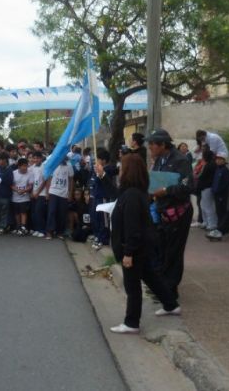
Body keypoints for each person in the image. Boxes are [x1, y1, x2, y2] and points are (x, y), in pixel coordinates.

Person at [109, 153, 181, 335]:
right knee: (150, 277)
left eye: (122, 167)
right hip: (141, 246)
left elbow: (133, 228)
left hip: (134, 247)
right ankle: (170, 304)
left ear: (129, 171)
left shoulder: (133, 195)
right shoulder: (134, 192)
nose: (119, 170)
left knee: (132, 286)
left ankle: (132, 322)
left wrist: (128, 253)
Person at [147, 129, 194, 300]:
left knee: (174, 251)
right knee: (162, 249)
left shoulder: (180, 161)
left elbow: (188, 187)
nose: (150, 147)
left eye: (152, 144)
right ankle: (162, 285)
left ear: (163, 144)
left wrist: (166, 191)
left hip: (178, 213)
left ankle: (170, 291)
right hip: (162, 211)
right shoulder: (159, 160)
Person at [89, 148, 118, 249]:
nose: (97, 161)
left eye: (99, 159)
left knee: (103, 219)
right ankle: (97, 236)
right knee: (95, 217)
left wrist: (100, 171)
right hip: (96, 196)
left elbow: (113, 169)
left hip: (103, 197)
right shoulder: (97, 169)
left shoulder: (108, 169)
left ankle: (103, 238)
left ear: (104, 161)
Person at [45, 158, 74, 240]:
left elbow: (71, 180)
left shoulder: (69, 165)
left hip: (64, 193)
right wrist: (47, 192)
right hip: (53, 191)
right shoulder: (54, 164)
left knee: (62, 213)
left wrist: (70, 193)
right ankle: (49, 231)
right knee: (52, 211)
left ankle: (59, 232)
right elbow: (49, 179)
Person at [207, 153, 229, 240]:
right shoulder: (217, 169)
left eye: (220, 159)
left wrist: (219, 191)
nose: (218, 161)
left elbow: (226, 183)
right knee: (218, 211)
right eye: (217, 159)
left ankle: (221, 228)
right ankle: (219, 227)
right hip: (216, 193)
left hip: (222, 195)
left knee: (221, 211)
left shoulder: (225, 170)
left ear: (224, 160)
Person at [196, 149, 218, 236]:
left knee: (208, 206)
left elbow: (203, 176)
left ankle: (211, 224)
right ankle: (206, 222)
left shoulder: (210, 165)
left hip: (207, 187)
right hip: (205, 187)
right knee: (203, 205)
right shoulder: (209, 164)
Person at [11, 158, 32, 236]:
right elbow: (11, 184)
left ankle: (23, 227)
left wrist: (24, 190)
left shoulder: (30, 173)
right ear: (19, 166)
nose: (25, 168)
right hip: (15, 196)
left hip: (25, 197)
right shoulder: (13, 173)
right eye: (23, 166)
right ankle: (18, 226)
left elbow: (30, 185)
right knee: (16, 213)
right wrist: (16, 190)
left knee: (23, 212)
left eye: (26, 166)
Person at [29, 151, 48, 238]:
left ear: (41, 158)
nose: (35, 160)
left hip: (42, 193)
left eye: (37, 158)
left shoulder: (44, 167)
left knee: (39, 212)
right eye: (34, 158)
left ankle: (42, 230)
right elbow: (31, 182)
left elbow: (45, 181)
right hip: (34, 193)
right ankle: (36, 229)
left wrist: (38, 192)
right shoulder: (32, 168)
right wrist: (32, 192)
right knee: (33, 212)